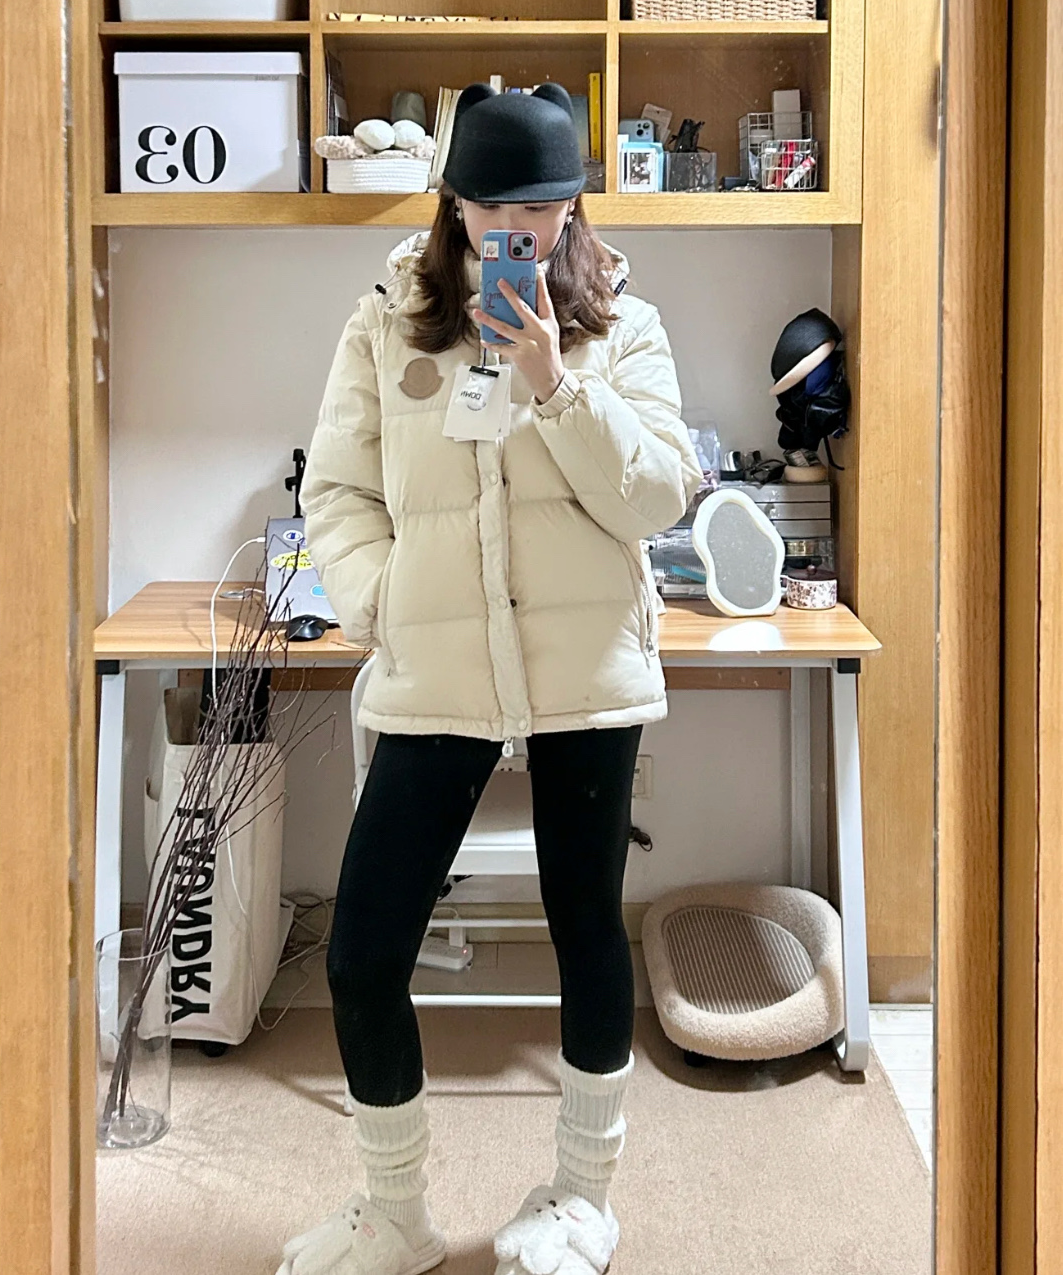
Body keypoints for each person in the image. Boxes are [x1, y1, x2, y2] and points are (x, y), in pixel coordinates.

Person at [278, 81, 702, 1275]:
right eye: (491, 209)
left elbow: (658, 497)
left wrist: (555, 379)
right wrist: (380, 600)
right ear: (454, 205)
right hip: (436, 664)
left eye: (540, 211)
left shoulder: (625, 327)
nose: (515, 231)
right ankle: (395, 1213)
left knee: (586, 929)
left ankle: (580, 1201)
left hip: (586, 668)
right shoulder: (385, 325)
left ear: (571, 211)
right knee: (363, 950)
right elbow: (337, 493)